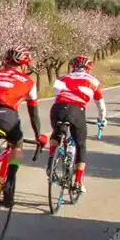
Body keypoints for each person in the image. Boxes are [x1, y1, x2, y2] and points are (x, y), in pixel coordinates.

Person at [0, 46, 46, 208]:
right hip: (8, 117)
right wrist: (38, 136)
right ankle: (10, 179)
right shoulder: (29, 82)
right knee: (17, 146)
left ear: (5, 61)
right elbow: (33, 114)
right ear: (24, 65)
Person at [48, 54, 108, 194]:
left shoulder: (62, 78)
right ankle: (78, 182)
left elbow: (57, 95)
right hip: (77, 110)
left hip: (57, 108)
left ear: (72, 67)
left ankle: (51, 160)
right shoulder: (93, 81)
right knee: (80, 144)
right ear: (88, 69)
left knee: (56, 134)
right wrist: (102, 120)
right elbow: (101, 106)